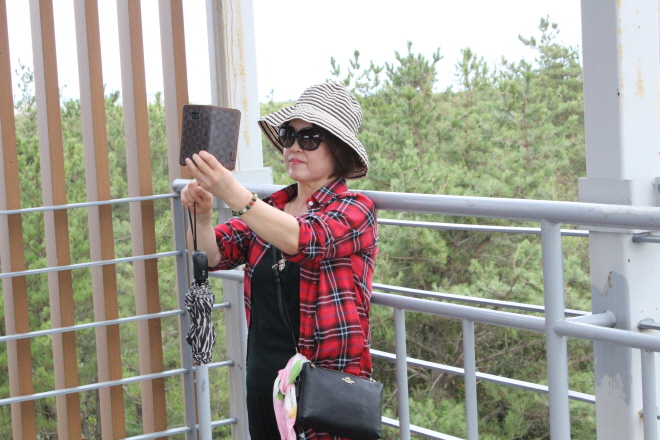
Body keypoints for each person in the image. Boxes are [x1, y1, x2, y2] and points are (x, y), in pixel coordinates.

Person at [180, 82, 378, 440]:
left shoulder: (355, 209)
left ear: (339, 149)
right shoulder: (272, 207)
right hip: (264, 382)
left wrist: (232, 192)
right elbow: (212, 255)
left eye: (310, 138)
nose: (294, 147)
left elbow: (305, 238)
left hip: (323, 386)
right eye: (289, 135)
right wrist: (204, 216)